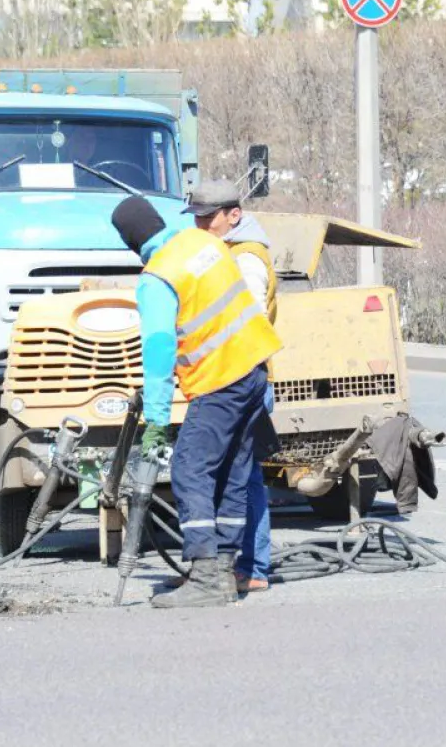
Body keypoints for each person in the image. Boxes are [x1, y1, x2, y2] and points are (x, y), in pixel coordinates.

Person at [111, 194, 281, 608]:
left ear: (131, 242)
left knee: (190, 469)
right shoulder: (203, 242)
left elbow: (158, 351)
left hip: (220, 380)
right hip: (255, 371)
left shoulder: (157, 278)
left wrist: (154, 419)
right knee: (233, 473)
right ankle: (224, 570)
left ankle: (205, 576)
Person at [183, 178, 278, 594]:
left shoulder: (246, 258)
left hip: (241, 377)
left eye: (209, 218)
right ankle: (240, 566)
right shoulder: (224, 252)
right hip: (232, 376)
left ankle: (253, 567)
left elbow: (248, 320)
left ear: (233, 215)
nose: (202, 226)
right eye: (198, 218)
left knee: (245, 476)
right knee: (237, 473)